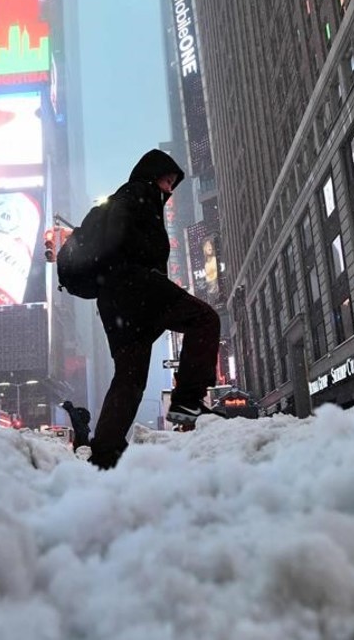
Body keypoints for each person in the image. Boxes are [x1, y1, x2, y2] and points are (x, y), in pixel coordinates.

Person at [88, 149, 221, 470]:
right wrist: (147, 271)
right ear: (153, 174)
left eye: (173, 183)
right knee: (204, 318)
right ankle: (187, 401)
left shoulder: (126, 199)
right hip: (137, 288)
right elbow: (125, 243)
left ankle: (104, 456)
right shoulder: (138, 195)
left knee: (129, 379)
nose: (169, 188)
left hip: (115, 302)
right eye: (167, 179)